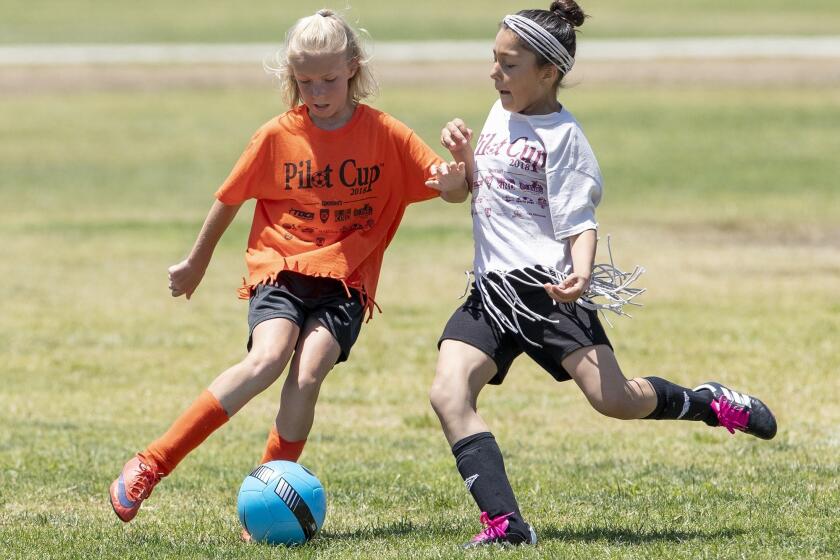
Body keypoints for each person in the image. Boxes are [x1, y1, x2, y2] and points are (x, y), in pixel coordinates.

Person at [429, 0, 777, 548]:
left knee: (614, 400)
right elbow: (468, 193)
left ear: (549, 72)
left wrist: (582, 276)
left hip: (548, 291)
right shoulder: (498, 113)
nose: (494, 72)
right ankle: (506, 525)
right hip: (491, 293)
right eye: (493, 60)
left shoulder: (565, 139)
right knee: (449, 393)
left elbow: (579, 223)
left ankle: (707, 402)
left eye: (508, 64)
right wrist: (458, 165)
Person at [109, 9, 469, 533]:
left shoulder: (385, 134)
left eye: (327, 79)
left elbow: (450, 190)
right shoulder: (278, 135)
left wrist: (459, 173)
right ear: (291, 77)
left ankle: (267, 490)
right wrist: (195, 263)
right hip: (280, 269)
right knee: (268, 359)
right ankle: (151, 462)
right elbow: (229, 199)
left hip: (345, 283)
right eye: (304, 81)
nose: (317, 91)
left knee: (307, 375)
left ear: (352, 67)